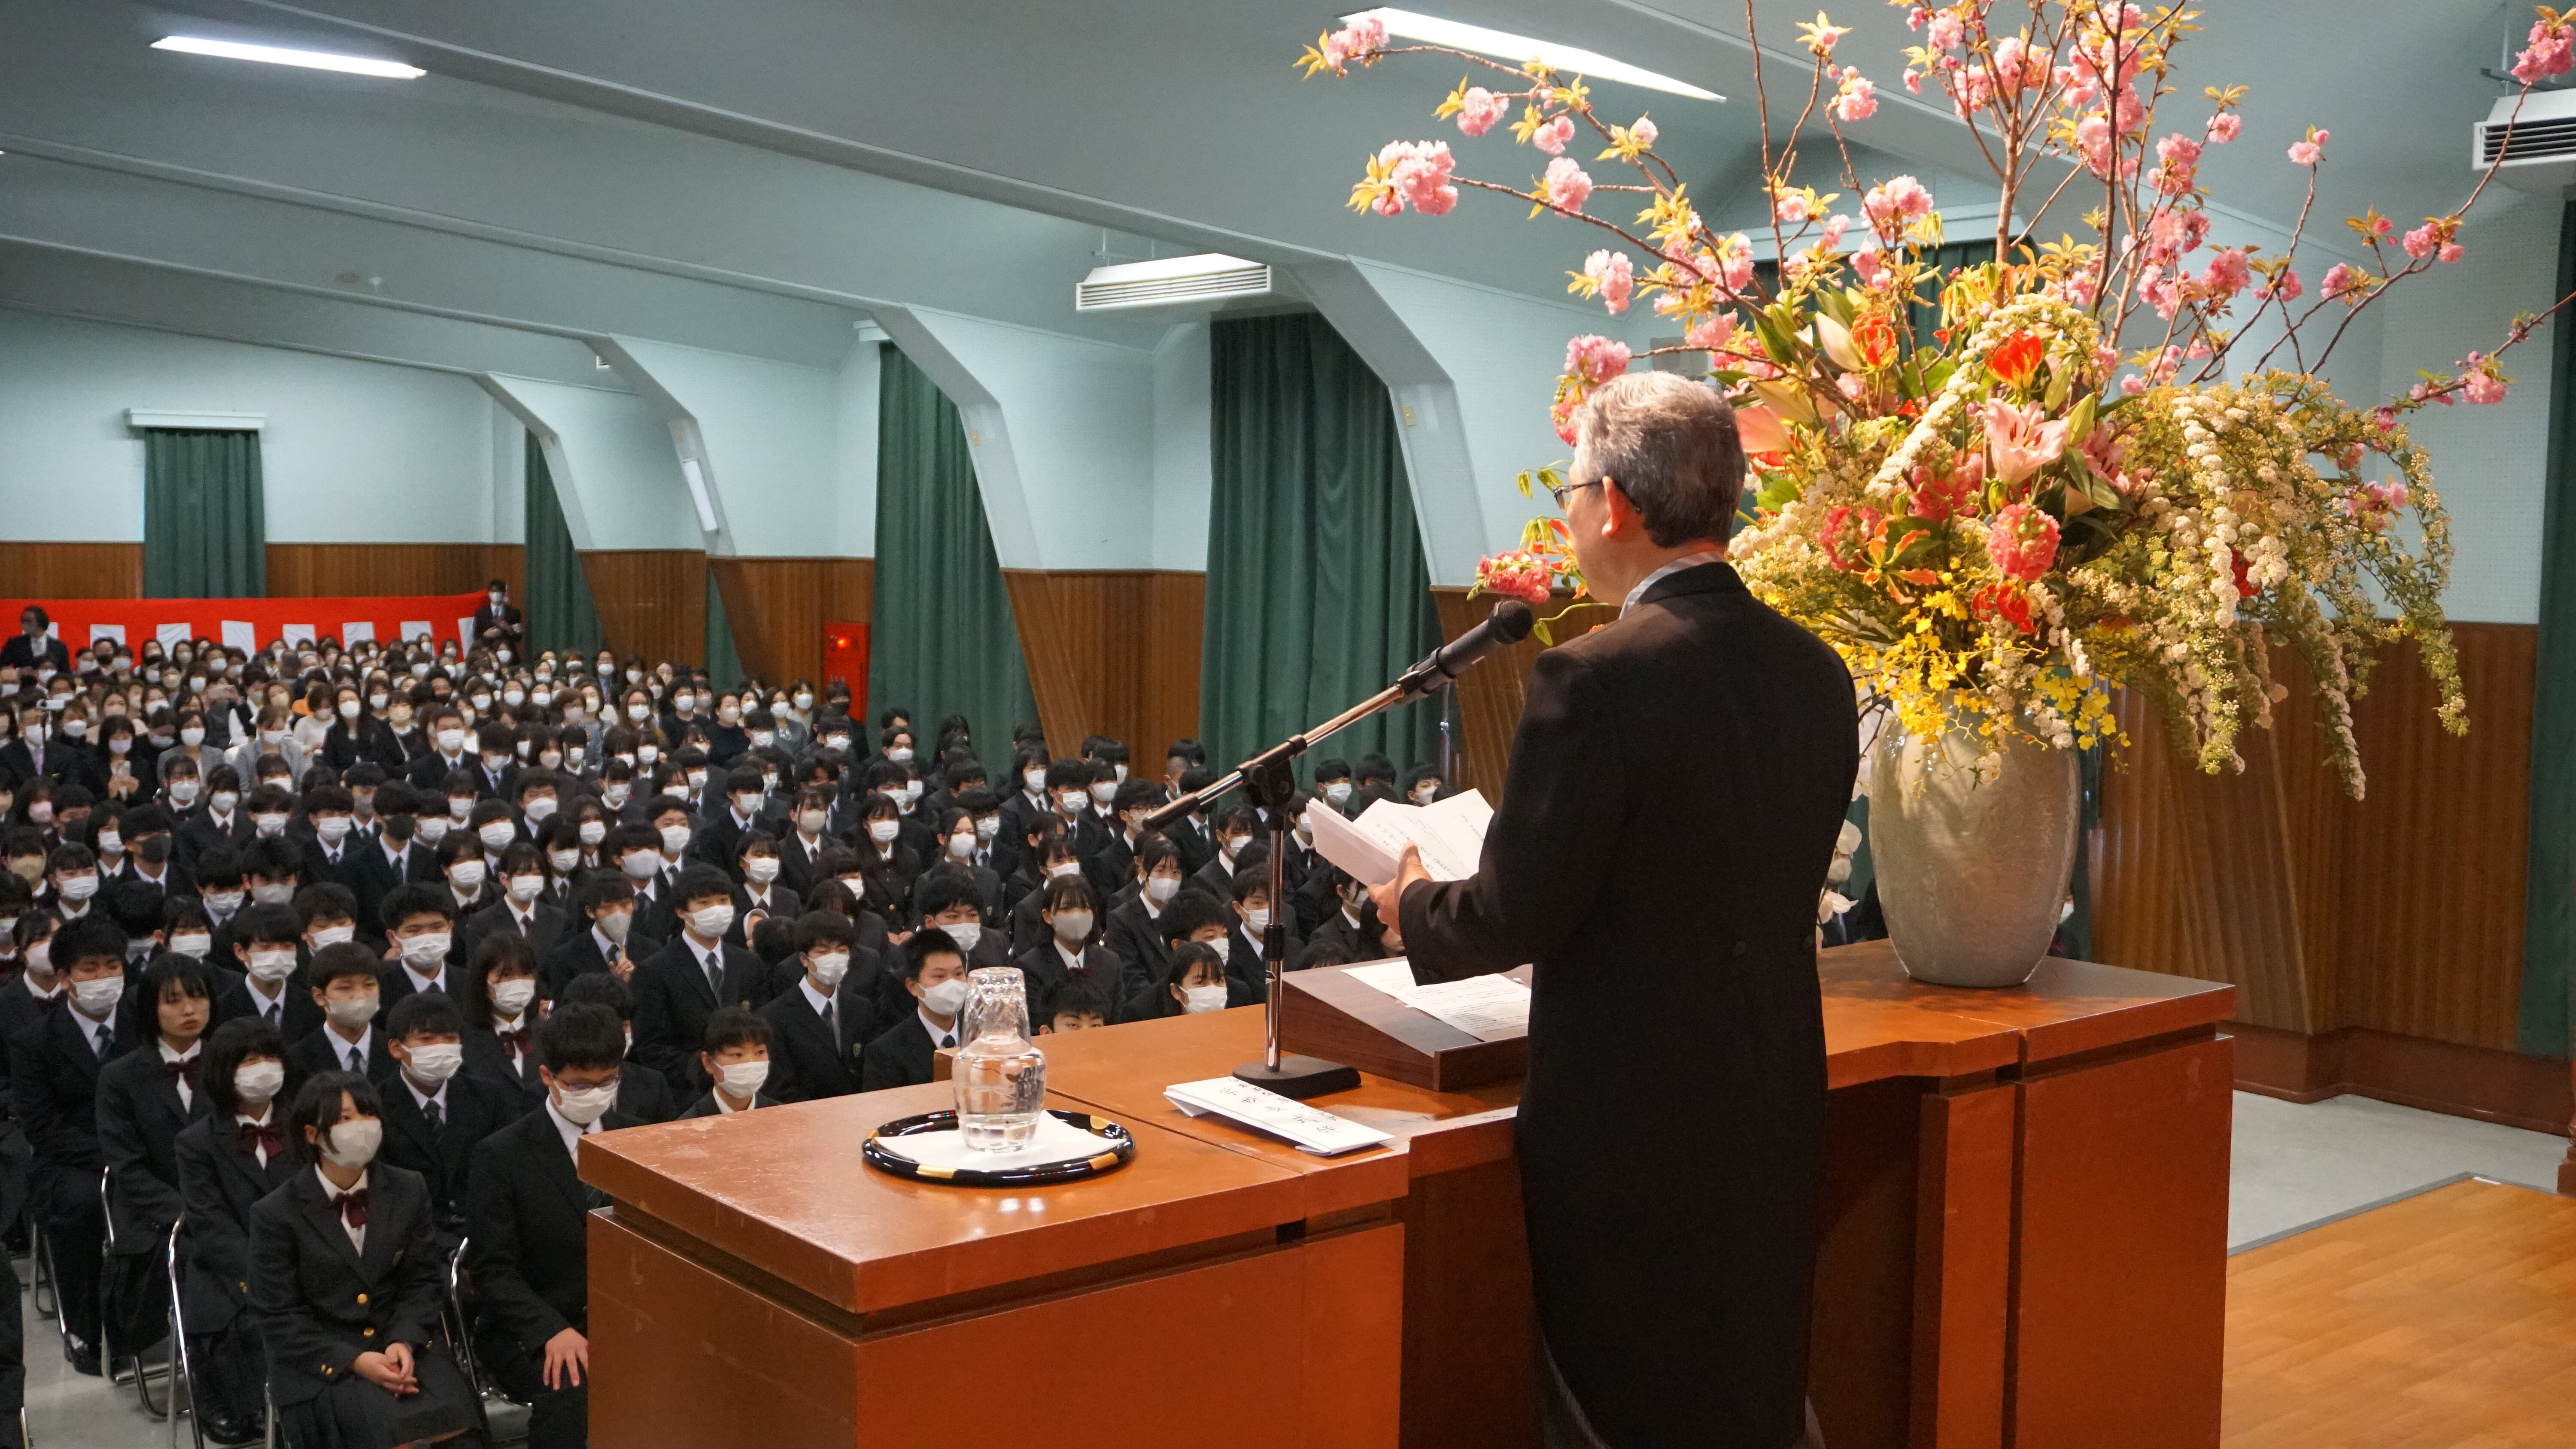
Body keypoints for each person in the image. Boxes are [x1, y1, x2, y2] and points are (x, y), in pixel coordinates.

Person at [1369, 370, 1859, 1449]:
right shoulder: (1818, 671)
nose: (1568, 516)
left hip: (1628, 1119)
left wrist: (1411, 905)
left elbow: (1515, 913)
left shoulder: (1589, 678)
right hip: (1771, 1090)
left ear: (1619, 506)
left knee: (1617, 1403)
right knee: (1746, 1384)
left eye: (1572, 491)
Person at [249, 1070, 481, 1448]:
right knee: (384, 1433)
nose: (361, 1126)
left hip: (403, 1342)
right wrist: (355, 1360)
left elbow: (422, 1280)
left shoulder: (408, 1187)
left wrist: (403, 1340)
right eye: (344, 1119)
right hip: (325, 1362)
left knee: (461, 1428)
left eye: (368, 1114)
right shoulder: (276, 1213)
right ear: (313, 1135)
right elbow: (276, 1315)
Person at [466, 1003, 640, 1449]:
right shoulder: (501, 1156)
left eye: (608, 1082)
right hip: (535, 1324)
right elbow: (493, 1271)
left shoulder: (637, 1139)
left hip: (623, 1318)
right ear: (547, 1076)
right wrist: (550, 1329)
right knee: (575, 1388)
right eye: (580, 1084)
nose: (596, 1094)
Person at [173, 1017, 297, 1445]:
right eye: (249, 1059)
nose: (263, 1067)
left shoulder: (305, 1123)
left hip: (306, 1258)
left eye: (269, 1057)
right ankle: (249, 1405)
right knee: (250, 1324)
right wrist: (264, 1276)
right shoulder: (196, 1142)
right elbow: (211, 1223)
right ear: (225, 1070)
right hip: (232, 1268)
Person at [15, 915, 131, 1373]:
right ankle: (86, 1325)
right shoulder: (35, 1042)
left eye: (112, 965)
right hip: (75, 1158)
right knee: (83, 1207)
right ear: (64, 979)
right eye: (90, 968)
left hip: (144, 1149)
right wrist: (112, 1155)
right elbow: (42, 1125)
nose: (104, 977)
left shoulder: (143, 1020)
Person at [377, 988, 516, 1248]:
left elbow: (506, 1177)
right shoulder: (376, 1107)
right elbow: (384, 1196)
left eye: (450, 1038)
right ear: (397, 1048)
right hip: (412, 1242)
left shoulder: (489, 1097)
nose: (441, 1047)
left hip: (485, 1234)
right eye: (427, 1039)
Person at [629, 864, 772, 1091]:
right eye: (704, 903)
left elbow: (763, 1027)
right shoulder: (654, 971)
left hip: (749, 1084)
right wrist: (709, 1070)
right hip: (688, 1092)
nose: (716, 909)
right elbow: (651, 1046)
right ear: (681, 912)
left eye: (723, 901)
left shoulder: (750, 964)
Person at [755, 912, 875, 1103]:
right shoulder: (773, 1016)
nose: (834, 958)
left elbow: (869, 1071)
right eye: (823, 952)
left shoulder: (861, 1008)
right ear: (804, 959)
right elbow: (780, 1087)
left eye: (841, 950)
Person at [856, 928, 967, 1092]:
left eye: (958, 974)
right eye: (940, 977)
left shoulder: (983, 1036)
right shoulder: (886, 1052)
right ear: (913, 986)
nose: (952, 984)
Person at [291, 940, 395, 1080]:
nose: (360, 996)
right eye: (345, 988)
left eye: (369, 985)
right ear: (320, 996)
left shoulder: (397, 1050)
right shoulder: (297, 1059)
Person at [677, 1007, 778, 1118]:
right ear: (708, 1062)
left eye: (760, 1052)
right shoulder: (687, 1125)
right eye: (737, 1054)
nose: (751, 1062)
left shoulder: (784, 1116)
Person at [0, 607, 69, 674]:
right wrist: (18, 672)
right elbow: (2, 666)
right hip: (24, 683)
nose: (25, 624)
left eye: (29, 621)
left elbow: (65, 672)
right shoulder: (15, 643)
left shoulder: (59, 646)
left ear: (40, 622)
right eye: (23, 621)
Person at [472, 579, 525, 656]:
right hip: (488, 654)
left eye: (498, 592)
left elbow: (518, 638)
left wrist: (510, 629)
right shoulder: (481, 613)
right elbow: (476, 636)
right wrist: (486, 635)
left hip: (509, 654)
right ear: (489, 594)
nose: (496, 594)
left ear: (504, 594)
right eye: (493, 592)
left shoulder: (514, 613)